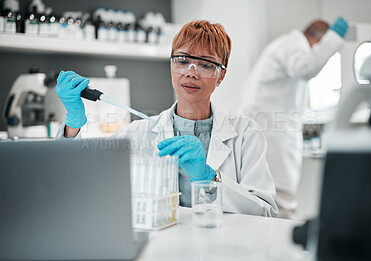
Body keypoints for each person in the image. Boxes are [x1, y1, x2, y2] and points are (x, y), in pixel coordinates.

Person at [55, 20, 279, 217]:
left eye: (206, 64)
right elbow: (74, 179)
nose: (191, 72)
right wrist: (73, 124)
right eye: (182, 60)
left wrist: (211, 178)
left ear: (221, 75)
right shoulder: (138, 133)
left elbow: (266, 212)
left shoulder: (245, 134)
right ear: (171, 64)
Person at [240, 17, 349, 218]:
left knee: (275, 203)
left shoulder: (285, 45)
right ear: (319, 41)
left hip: (269, 130)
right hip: (271, 135)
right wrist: (333, 40)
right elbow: (306, 67)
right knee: (281, 205)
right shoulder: (294, 44)